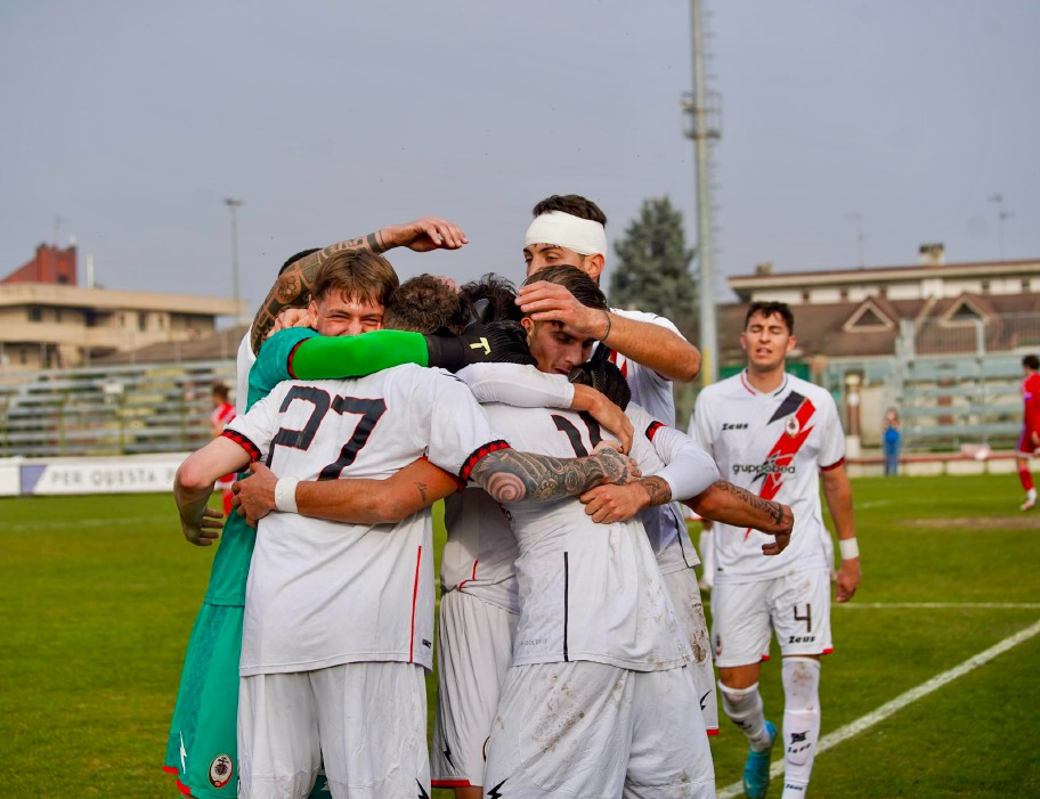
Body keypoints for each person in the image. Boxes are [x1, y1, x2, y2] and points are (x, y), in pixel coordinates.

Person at [174, 273, 638, 799]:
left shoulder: (285, 391)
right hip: (372, 633)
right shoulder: (434, 389)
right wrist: (600, 466)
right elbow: (501, 481)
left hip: (274, 629)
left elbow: (193, 475)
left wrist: (194, 518)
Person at [516, 195, 720, 736]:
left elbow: (688, 362)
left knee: (674, 733)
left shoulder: (638, 326)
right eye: (529, 256)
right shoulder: (522, 330)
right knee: (576, 736)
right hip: (565, 557)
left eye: (550, 255)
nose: (534, 268)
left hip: (654, 546)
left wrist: (592, 321)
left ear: (593, 265)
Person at [689, 301, 861, 799]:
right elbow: (697, 479)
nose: (765, 337)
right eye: (757, 329)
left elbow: (836, 482)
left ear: (791, 343)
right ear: (743, 340)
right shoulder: (713, 402)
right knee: (735, 690)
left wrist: (849, 554)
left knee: (803, 673)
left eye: (775, 330)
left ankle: (795, 791)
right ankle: (761, 742)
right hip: (736, 565)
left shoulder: (817, 403)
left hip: (802, 560)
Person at [210, 383, 238, 516]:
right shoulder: (234, 409)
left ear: (216, 396)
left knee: (227, 490)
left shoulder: (218, 412)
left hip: (224, 452)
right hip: (237, 451)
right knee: (233, 489)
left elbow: (217, 432)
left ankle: (230, 520)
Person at [1017, 354, 1040, 511]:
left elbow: (1030, 407)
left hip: (1033, 427)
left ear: (1026, 367)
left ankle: (1032, 496)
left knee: (1021, 459)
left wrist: (1033, 430)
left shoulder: (1027, 383)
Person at [882, 406, 901, 477]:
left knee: (895, 456)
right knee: (887, 457)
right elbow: (884, 430)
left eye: (892, 414)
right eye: (889, 414)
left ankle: (895, 472)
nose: (890, 416)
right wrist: (887, 424)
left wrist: (893, 424)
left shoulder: (896, 422)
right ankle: (886, 472)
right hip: (887, 441)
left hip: (895, 441)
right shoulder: (885, 422)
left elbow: (898, 429)